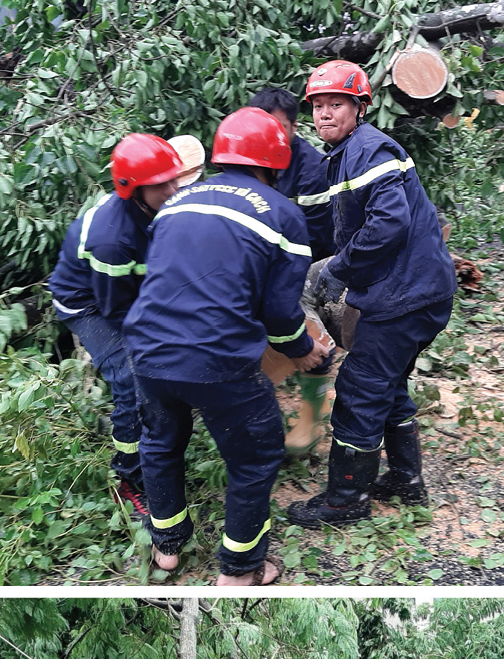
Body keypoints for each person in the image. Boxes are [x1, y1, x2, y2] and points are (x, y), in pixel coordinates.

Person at [125, 107, 332, 586]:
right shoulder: (283, 214)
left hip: (149, 351)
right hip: (216, 358)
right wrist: (303, 350)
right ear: (277, 162)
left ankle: (167, 548)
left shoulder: (177, 201)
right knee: (255, 455)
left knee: (160, 443)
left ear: (219, 156)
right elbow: (281, 314)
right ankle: (239, 571)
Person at [287, 60, 457, 524]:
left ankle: (345, 502)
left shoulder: (369, 151)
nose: (324, 114)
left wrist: (339, 269)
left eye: (335, 104)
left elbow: (389, 222)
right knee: (388, 383)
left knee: (360, 388)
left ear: (359, 107)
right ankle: (406, 479)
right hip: (418, 291)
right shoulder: (350, 152)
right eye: (318, 105)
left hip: (405, 296)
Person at [48, 131, 201, 521]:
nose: (172, 188)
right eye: (161, 184)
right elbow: (119, 311)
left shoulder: (157, 206)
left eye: (173, 178)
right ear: (132, 189)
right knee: (133, 377)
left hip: (128, 289)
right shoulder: (113, 240)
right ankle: (129, 474)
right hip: (89, 304)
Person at [246, 82, 335, 260]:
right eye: (262, 127)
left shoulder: (313, 171)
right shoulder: (246, 157)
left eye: (278, 128)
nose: (268, 136)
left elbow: (312, 237)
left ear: (294, 126)